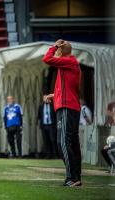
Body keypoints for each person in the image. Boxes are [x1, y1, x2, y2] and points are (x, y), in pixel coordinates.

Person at [43, 39, 82, 187]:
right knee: (72, 143)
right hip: (70, 105)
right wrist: (54, 95)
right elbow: (69, 88)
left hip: (66, 107)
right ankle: (75, 177)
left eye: (57, 50)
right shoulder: (70, 64)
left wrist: (53, 47)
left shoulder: (68, 61)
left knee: (63, 142)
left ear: (60, 51)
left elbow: (47, 59)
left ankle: (72, 177)